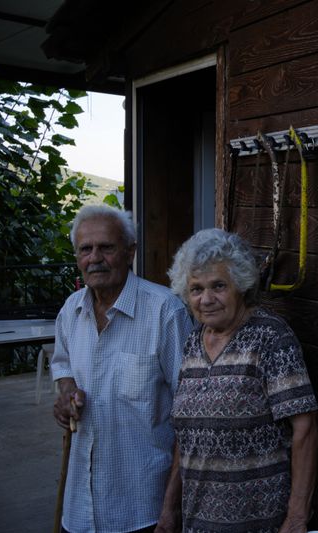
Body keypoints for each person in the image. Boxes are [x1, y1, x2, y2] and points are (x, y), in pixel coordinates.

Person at [157, 228, 318, 533]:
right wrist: (169, 508)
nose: (206, 299)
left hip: (259, 521)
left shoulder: (270, 337)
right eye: (196, 289)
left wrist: (297, 517)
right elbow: (186, 434)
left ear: (241, 285)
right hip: (198, 522)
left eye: (218, 286)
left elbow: (305, 428)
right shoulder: (193, 342)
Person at [51, 205, 194, 533]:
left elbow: (190, 419)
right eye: (86, 249)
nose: (95, 258)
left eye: (106, 247)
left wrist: (171, 509)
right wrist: (67, 394)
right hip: (79, 508)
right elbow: (63, 367)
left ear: (130, 252)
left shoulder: (165, 312)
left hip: (142, 507)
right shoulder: (71, 311)